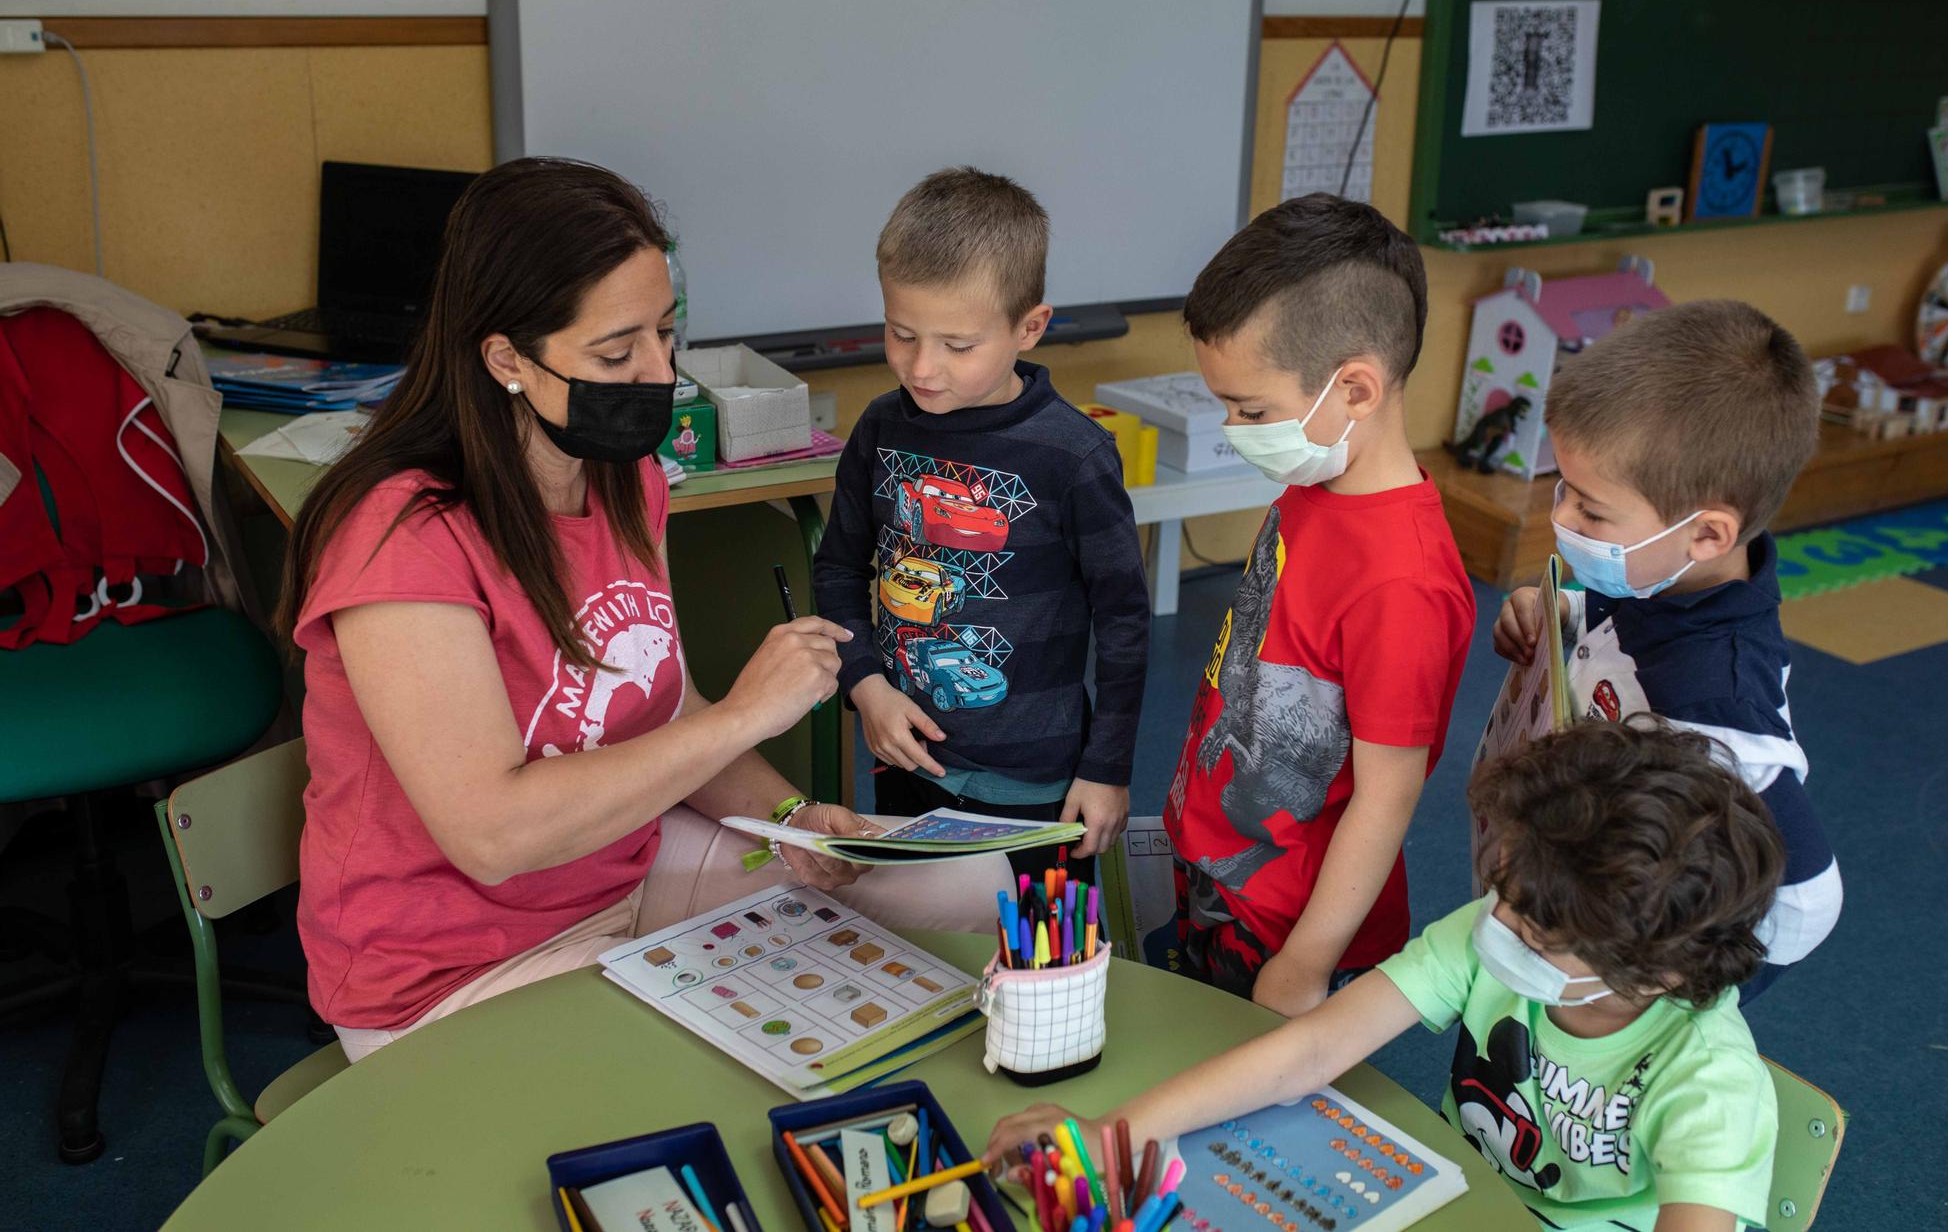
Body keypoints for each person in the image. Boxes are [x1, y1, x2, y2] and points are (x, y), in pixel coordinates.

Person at [276, 157, 999, 1062]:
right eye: (618, 352)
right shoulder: (400, 535)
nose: (660, 373)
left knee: (975, 880)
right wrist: (746, 715)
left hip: (619, 873)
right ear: (505, 358)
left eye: (666, 333)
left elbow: (664, 712)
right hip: (451, 964)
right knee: (741, 1080)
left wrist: (795, 815)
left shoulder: (625, 476)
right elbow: (493, 836)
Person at [989, 720, 1787, 1232]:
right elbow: (1305, 1052)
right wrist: (1109, 1136)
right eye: (1500, 895)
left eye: (1535, 931)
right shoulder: (1495, 936)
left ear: (1654, 972)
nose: (1497, 926)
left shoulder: (1710, 1081)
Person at [1164, 194, 1475, 1014]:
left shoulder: (1402, 582)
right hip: (1227, 872)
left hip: (1290, 925)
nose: (1235, 428)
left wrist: (1306, 961)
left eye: (1252, 409)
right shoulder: (1315, 484)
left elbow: (1387, 795)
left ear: (1357, 389)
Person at [1493, 300, 1841, 1001]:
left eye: (1589, 509)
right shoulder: (1658, 567)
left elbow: (1809, 898)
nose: (1560, 518)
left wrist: (1674, 977)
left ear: (1707, 534)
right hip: (1603, 859)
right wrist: (1559, 613)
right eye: (1562, 489)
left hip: (1655, 951)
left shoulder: (1714, 709)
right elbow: (1611, 629)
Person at [812, 167, 1150, 884]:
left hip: (1036, 786)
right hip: (905, 758)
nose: (922, 366)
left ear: (1030, 327)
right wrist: (867, 687)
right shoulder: (880, 428)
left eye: (958, 346)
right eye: (901, 334)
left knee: (1038, 973)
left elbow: (1123, 620)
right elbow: (839, 569)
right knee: (918, 947)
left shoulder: (1076, 455)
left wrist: (1107, 767)